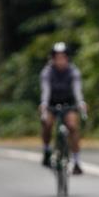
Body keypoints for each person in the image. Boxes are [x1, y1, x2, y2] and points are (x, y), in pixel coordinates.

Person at [39, 41, 87, 173]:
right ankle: (47, 150)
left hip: (69, 103)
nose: (60, 60)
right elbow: (46, 90)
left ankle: (76, 161)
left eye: (63, 57)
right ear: (53, 59)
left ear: (67, 58)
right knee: (47, 123)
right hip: (51, 103)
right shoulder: (47, 72)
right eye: (57, 57)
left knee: (72, 126)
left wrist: (81, 103)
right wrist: (44, 104)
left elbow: (77, 90)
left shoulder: (73, 71)